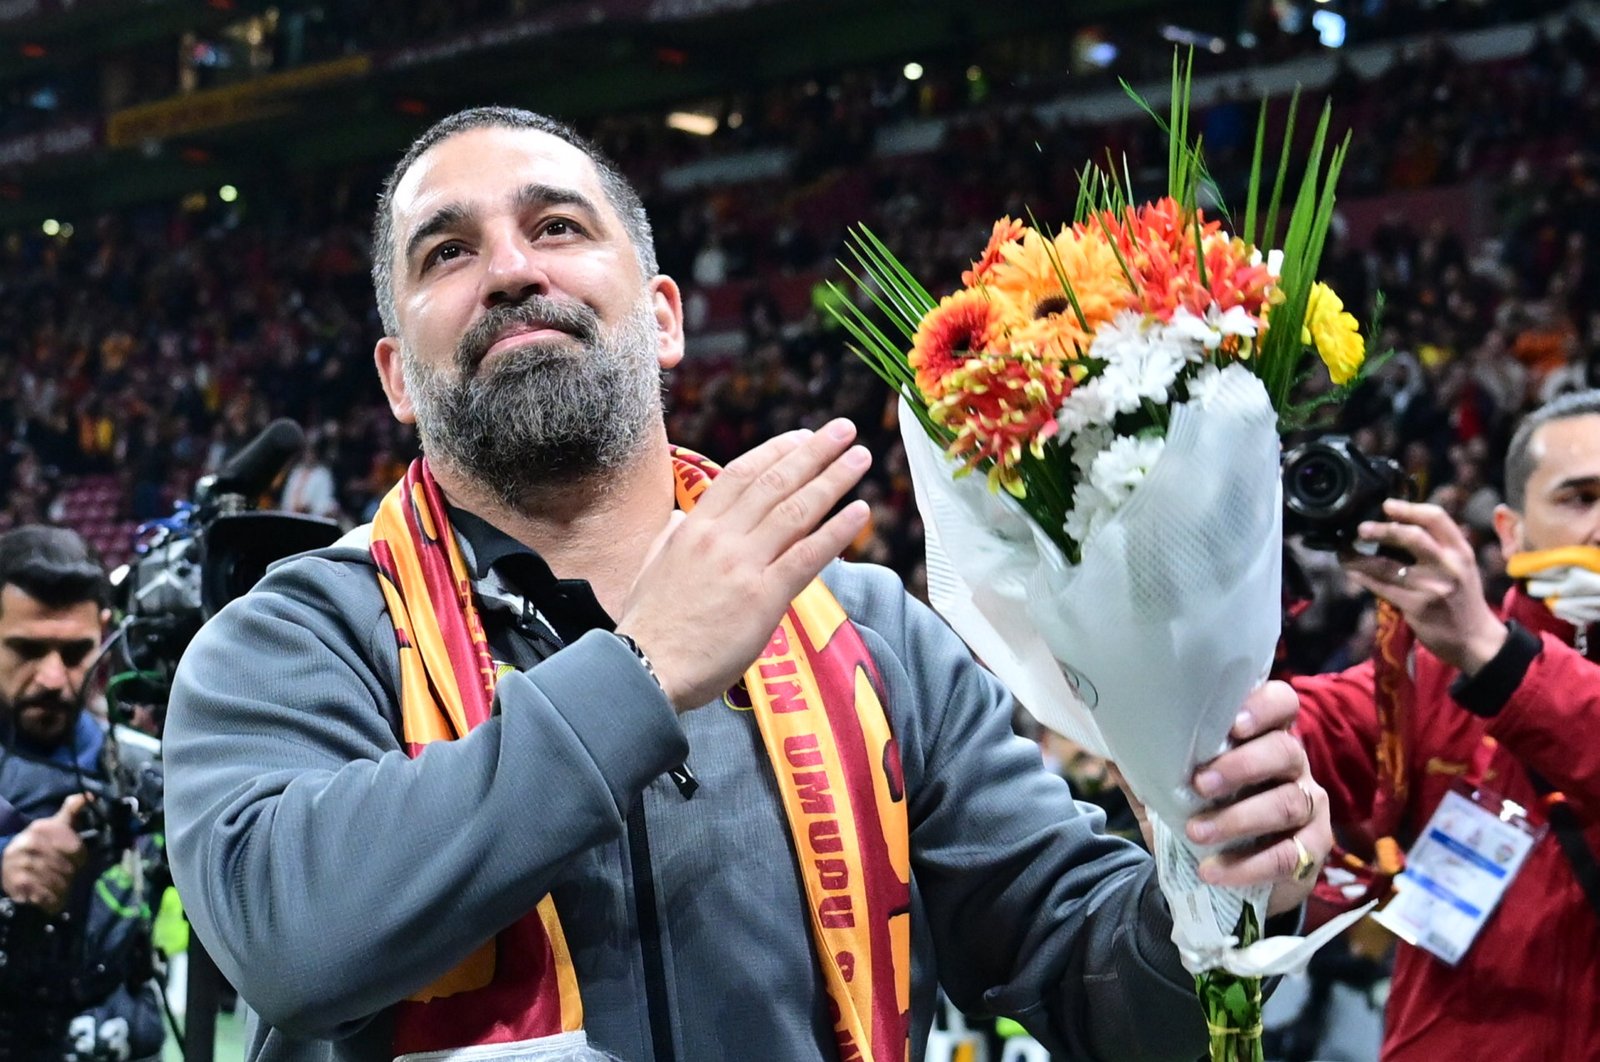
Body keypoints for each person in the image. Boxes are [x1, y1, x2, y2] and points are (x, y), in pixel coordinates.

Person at [163, 107, 1333, 1062]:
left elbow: (1097, 987)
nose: (512, 270)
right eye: (448, 252)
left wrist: (1215, 892)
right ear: (397, 380)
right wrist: (643, 670)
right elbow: (289, 941)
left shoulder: (866, 627)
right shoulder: (290, 637)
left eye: (558, 227)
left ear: (664, 319)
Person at [1294, 388, 1600, 1060]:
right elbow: (1296, 729)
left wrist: (1499, 660)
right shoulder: (1432, 670)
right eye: (1580, 499)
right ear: (1512, 531)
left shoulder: (1475, 654)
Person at [0, 525, 164, 1061]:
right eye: (26, 649)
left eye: (75, 653)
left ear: (106, 633)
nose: (53, 677)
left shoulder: (142, 768)